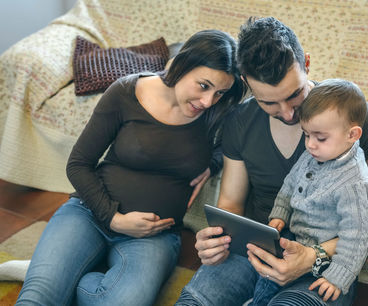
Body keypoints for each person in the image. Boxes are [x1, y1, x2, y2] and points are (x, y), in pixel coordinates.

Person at [176, 17, 368, 306]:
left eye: (294, 95)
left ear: (307, 64)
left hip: (324, 263)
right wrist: (215, 240)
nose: (289, 114)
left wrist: (314, 256)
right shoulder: (240, 122)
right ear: (247, 84)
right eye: (269, 103)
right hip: (255, 248)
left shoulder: (350, 114)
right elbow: (231, 204)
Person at [15, 29, 244, 306]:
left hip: (154, 237)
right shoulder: (126, 91)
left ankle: (66, 275)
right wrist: (114, 218)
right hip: (89, 214)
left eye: (219, 92)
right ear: (182, 66)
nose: (208, 101)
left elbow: (231, 145)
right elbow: (78, 164)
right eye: (203, 86)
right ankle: (50, 278)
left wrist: (212, 163)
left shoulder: (217, 111)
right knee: (36, 300)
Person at [250, 79, 368, 305]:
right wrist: (280, 214)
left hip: (326, 260)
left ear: (353, 134)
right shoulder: (315, 154)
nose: (310, 145)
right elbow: (290, 184)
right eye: (306, 135)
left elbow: (358, 237)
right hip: (294, 239)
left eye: (320, 137)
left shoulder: (354, 183)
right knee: (267, 277)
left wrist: (338, 277)